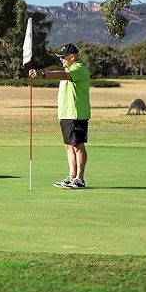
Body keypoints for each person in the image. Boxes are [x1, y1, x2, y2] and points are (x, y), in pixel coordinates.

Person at [29, 43, 91, 189]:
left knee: (77, 145)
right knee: (68, 146)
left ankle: (80, 179)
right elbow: (62, 72)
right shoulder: (68, 69)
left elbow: (64, 75)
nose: (61, 59)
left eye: (63, 57)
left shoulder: (79, 69)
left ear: (73, 56)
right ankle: (71, 177)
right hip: (66, 114)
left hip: (77, 114)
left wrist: (43, 74)